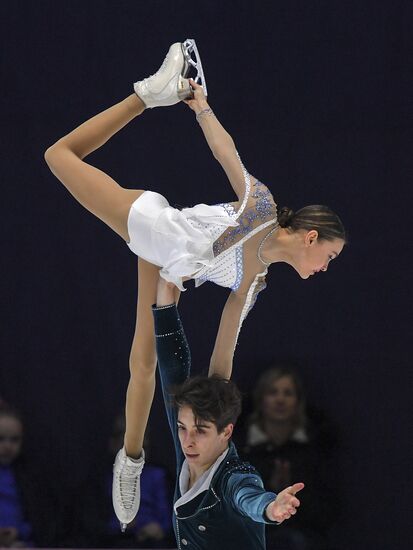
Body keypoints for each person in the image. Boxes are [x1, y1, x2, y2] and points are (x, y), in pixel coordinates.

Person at [44, 39, 346, 527]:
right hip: (155, 226)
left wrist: (217, 417)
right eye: (328, 256)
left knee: (142, 364)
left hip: (164, 263)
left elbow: (225, 346)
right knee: (59, 155)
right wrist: (201, 107)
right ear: (311, 237)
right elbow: (229, 156)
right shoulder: (262, 210)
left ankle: (131, 460)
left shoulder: (257, 279)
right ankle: (148, 95)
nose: (326, 267)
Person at [152, 275, 304, 549]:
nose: (187, 440)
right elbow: (171, 369)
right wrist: (164, 296)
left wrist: (271, 507)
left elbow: (248, 496)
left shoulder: (232, 477)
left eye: (200, 430)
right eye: (182, 427)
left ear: (227, 432)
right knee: (219, 372)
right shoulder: (192, 448)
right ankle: (245, 288)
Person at [241, 366, 340, 549]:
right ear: (261, 399)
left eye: (288, 393)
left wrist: (291, 494)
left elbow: (326, 508)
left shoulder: (315, 448)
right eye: (273, 392)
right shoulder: (241, 448)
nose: (280, 400)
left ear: (298, 401)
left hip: (306, 536)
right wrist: (271, 489)